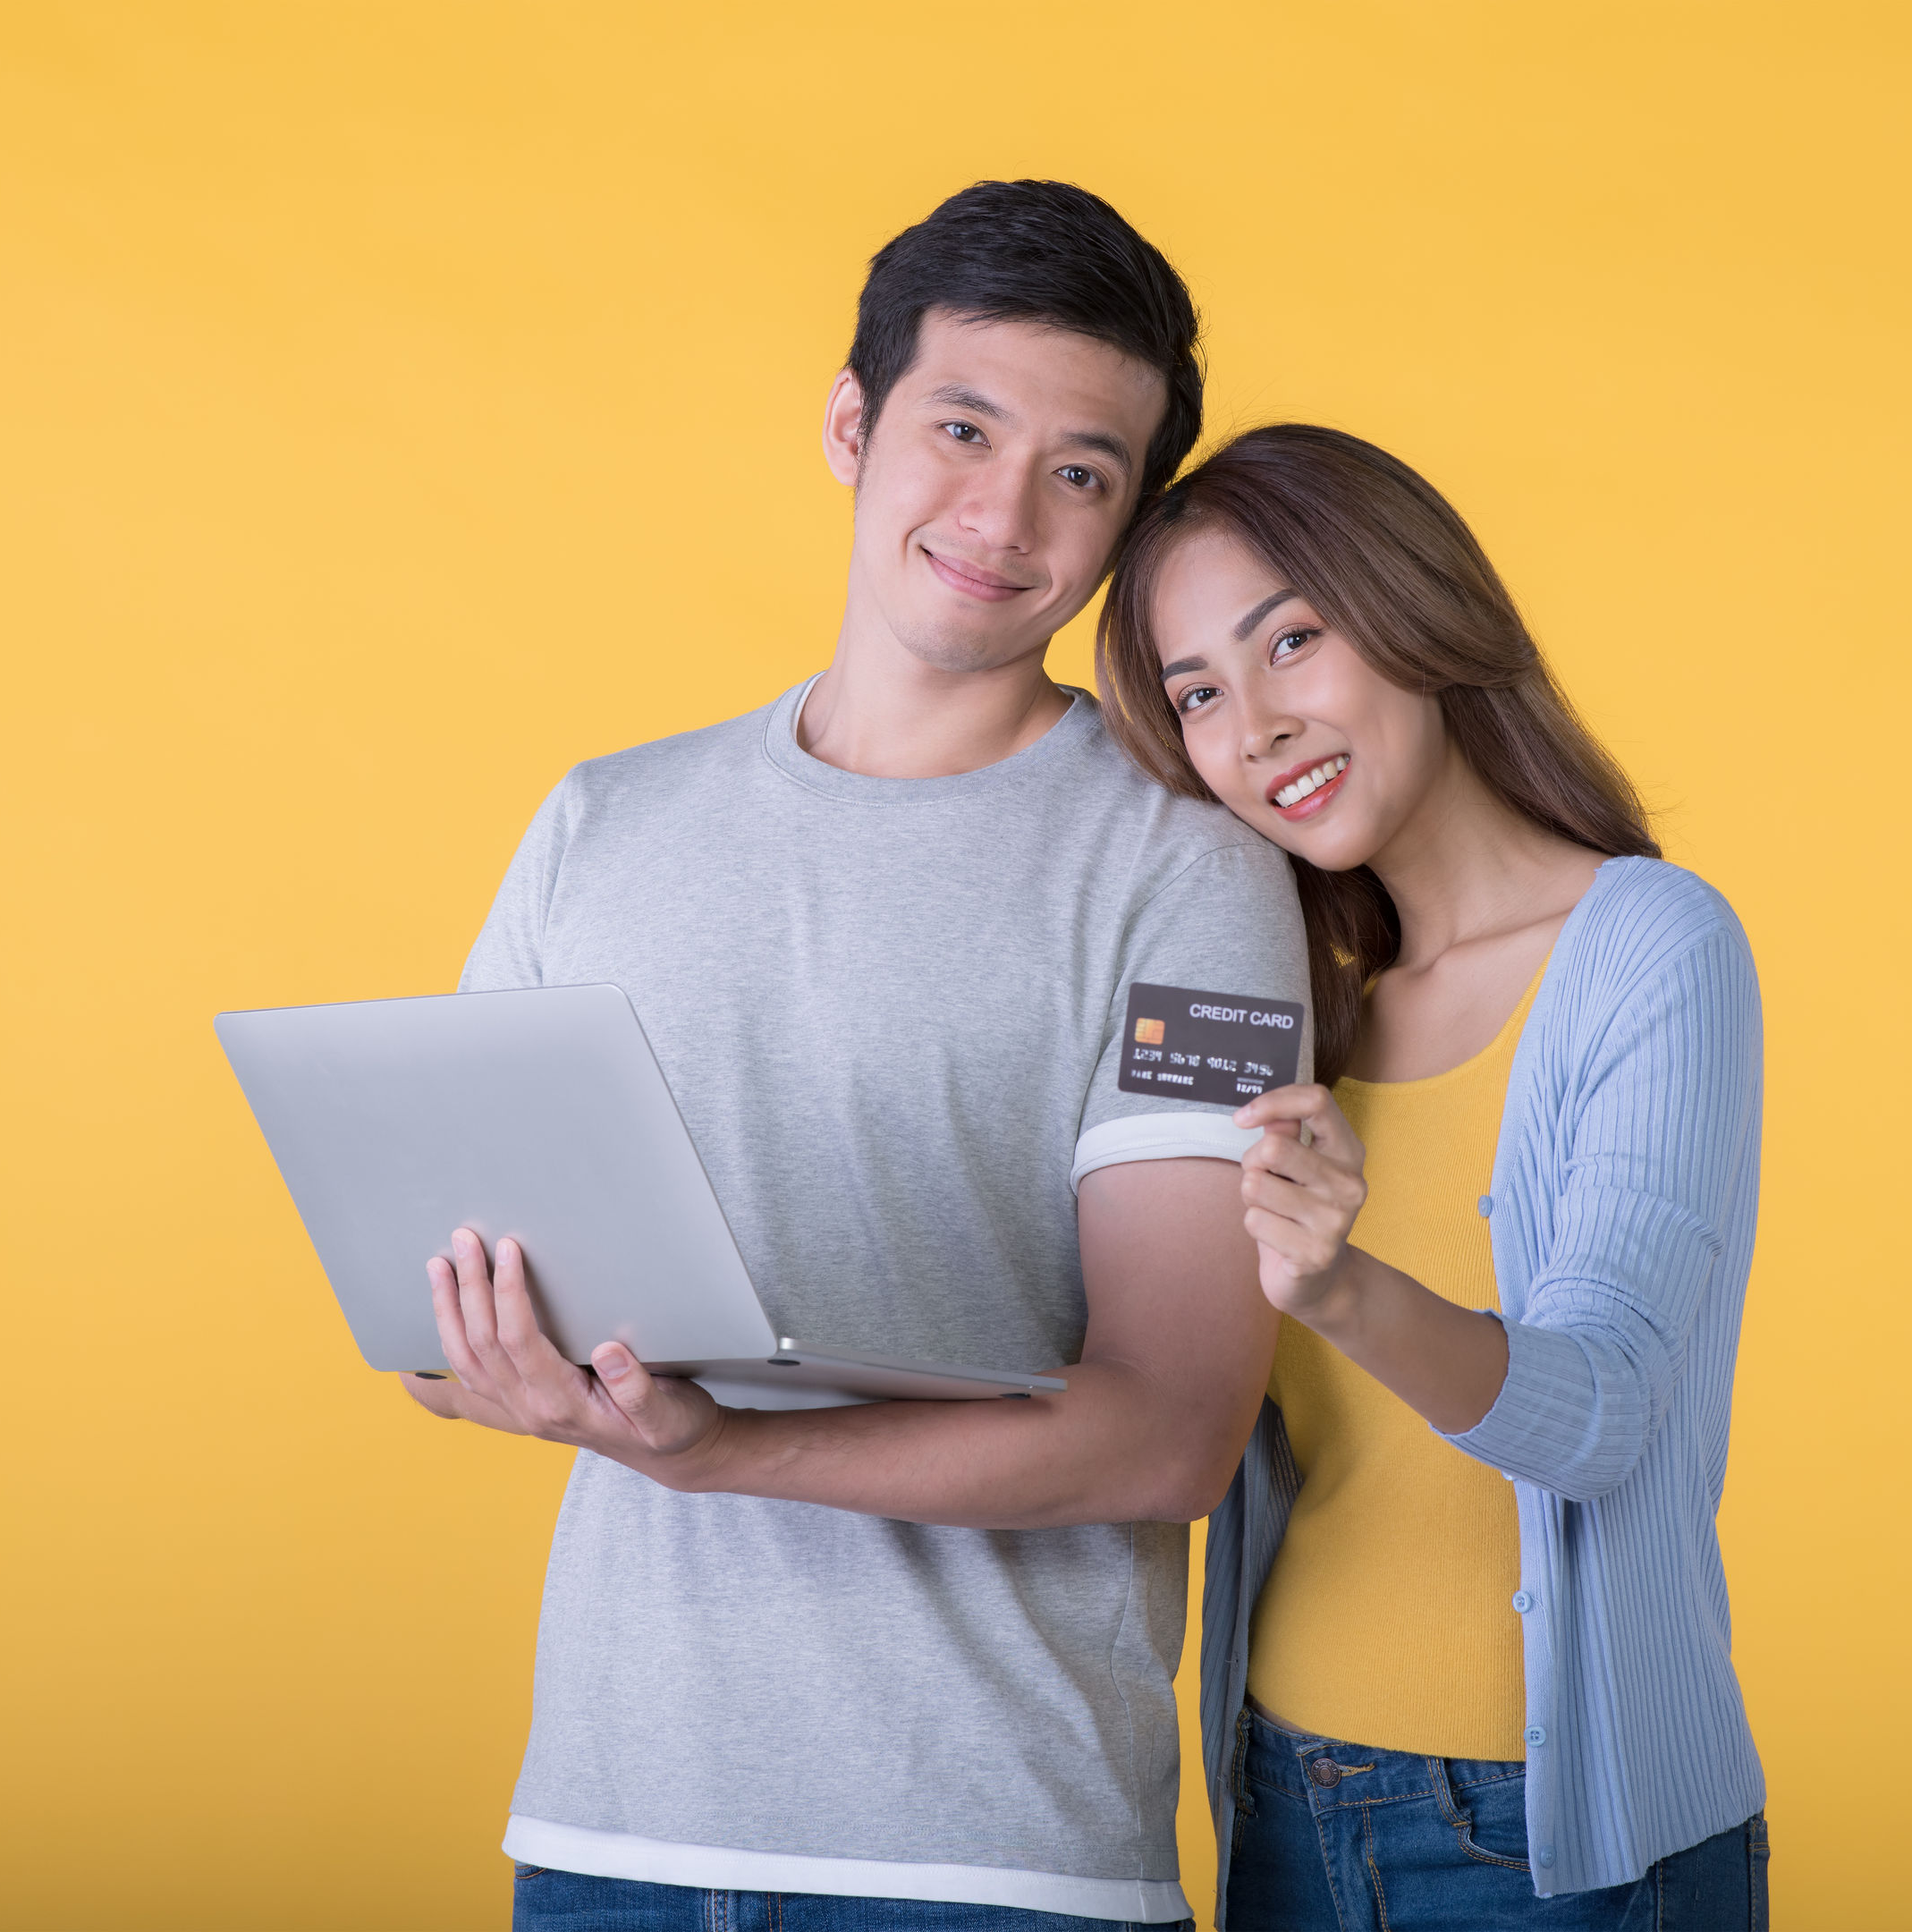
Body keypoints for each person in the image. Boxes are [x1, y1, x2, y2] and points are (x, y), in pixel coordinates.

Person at [404, 182, 1307, 1929]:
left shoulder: (1190, 875)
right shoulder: (602, 823)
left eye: (1082, 471)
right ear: (851, 423)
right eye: (961, 429)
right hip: (612, 1838)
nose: (1003, 511)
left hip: (988, 1858)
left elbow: (1171, 1433)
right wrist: (493, 1369)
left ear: (1122, 525)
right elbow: (439, 1329)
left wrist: (714, 1451)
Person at [1096, 425, 1770, 1928]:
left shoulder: (1653, 946)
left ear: (1413, 609)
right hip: (1281, 1805)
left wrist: (1341, 1287)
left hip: (1555, 1844)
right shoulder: (1282, 1010)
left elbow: (1600, 1418)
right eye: (1199, 693)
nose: (1256, 724)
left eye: (1292, 641)